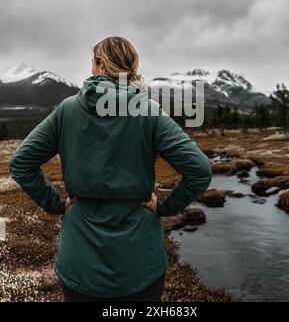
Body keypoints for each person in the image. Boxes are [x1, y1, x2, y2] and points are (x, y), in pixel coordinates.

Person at [9, 36, 212, 302]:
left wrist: (55, 204)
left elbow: (20, 163)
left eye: (93, 63)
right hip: (140, 265)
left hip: (79, 264)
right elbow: (200, 170)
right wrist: (165, 207)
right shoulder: (147, 110)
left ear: (100, 64)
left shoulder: (67, 110)